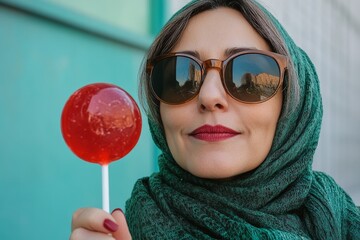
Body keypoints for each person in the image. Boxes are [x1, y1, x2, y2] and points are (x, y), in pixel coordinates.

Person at [70, 0, 360, 239]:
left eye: (249, 75)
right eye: (180, 75)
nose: (209, 96)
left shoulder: (341, 223)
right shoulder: (122, 233)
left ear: (293, 104)